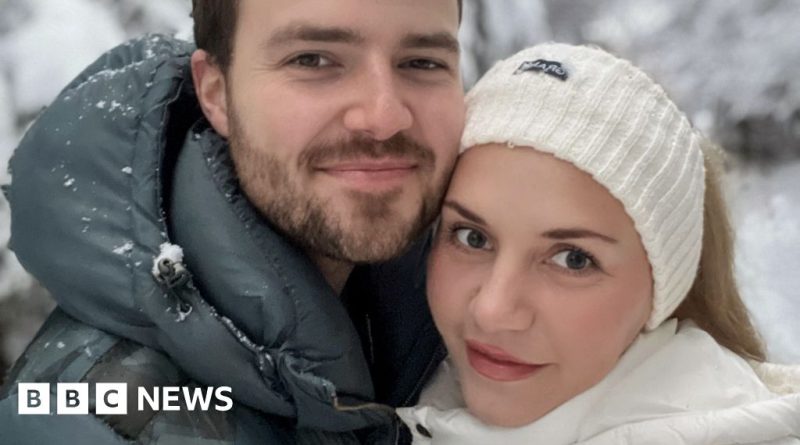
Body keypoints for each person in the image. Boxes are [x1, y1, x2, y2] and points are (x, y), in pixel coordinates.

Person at [0, 1, 465, 443]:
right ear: (216, 94)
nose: (384, 117)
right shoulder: (91, 423)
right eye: (313, 60)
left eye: (422, 62)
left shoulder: (459, 336)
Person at [397, 43, 800, 444]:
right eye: (472, 237)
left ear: (662, 294)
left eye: (573, 260)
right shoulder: (405, 387)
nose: (492, 311)